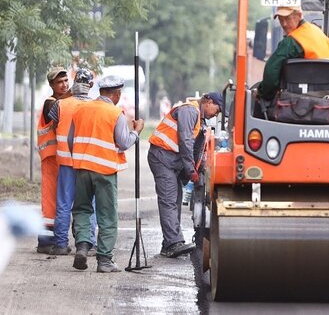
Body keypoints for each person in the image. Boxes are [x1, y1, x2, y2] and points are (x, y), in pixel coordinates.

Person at [69, 75, 143, 272]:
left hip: (82, 168)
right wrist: (137, 131)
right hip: (105, 170)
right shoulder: (114, 113)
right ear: (117, 94)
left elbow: (71, 140)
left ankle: (83, 247)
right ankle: (104, 261)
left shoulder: (81, 109)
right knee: (107, 215)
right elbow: (124, 142)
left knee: (82, 209)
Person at [148, 92, 222, 258]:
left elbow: (198, 150)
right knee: (169, 199)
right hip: (162, 156)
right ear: (208, 101)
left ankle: (169, 242)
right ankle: (173, 243)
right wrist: (190, 170)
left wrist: (199, 171)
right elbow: (185, 141)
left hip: (171, 160)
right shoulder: (190, 111)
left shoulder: (200, 120)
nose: (216, 114)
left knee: (175, 198)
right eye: (216, 110)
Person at [48, 68, 96, 256]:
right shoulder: (95, 106)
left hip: (66, 161)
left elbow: (53, 127)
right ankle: (88, 242)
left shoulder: (60, 105)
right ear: (90, 85)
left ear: (75, 82)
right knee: (87, 205)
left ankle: (60, 244)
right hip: (87, 162)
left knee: (63, 204)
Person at [257, 5, 329, 102]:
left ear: (299, 15)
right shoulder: (321, 36)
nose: (284, 24)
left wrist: (263, 94)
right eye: (281, 20)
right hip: (325, 99)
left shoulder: (291, 42)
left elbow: (271, 73)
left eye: (287, 18)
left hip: (299, 101)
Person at [35, 66, 70, 254]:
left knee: (58, 200)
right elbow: (57, 110)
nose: (64, 85)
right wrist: (76, 93)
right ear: (51, 85)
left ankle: (53, 238)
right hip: (51, 158)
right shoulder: (51, 102)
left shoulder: (63, 101)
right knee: (50, 201)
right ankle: (45, 241)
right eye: (59, 82)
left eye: (66, 81)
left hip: (58, 156)